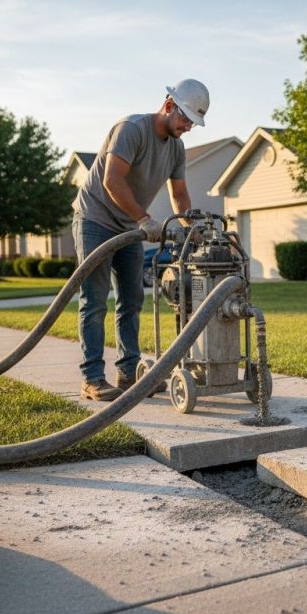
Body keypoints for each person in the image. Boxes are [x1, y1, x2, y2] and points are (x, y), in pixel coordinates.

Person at [72, 79, 209, 401]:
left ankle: (127, 373)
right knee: (94, 300)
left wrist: (192, 226)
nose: (188, 126)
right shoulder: (131, 129)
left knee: (131, 299)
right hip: (95, 219)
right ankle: (92, 379)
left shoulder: (175, 147)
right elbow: (112, 181)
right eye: (186, 118)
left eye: (193, 122)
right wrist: (144, 219)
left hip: (129, 226)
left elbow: (179, 195)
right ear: (169, 105)